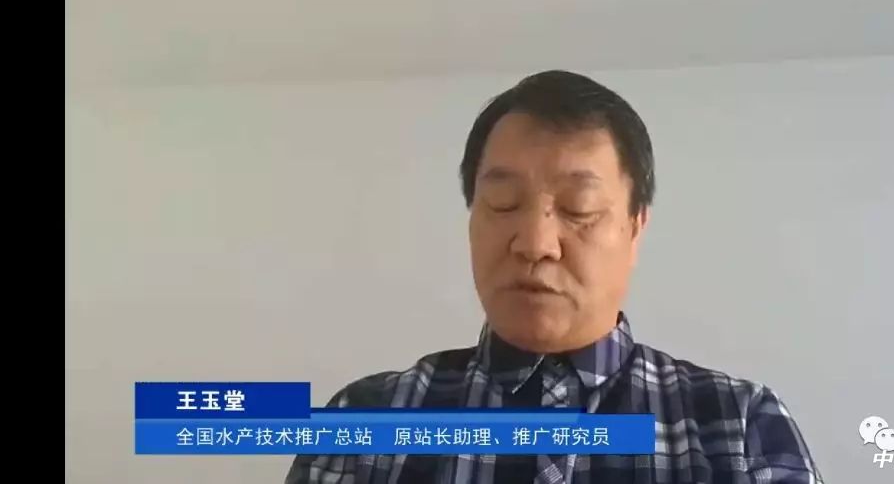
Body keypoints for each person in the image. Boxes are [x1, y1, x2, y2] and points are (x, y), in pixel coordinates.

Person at [286, 70, 823, 484]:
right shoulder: (366, 421)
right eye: (503, 203)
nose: (536, 243)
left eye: (578, 208)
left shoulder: (738, 427)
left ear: (635, 227)